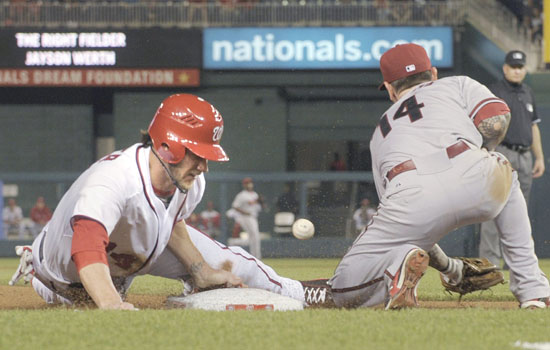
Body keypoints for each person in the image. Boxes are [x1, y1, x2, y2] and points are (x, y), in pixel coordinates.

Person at [8, 94, 312, 309]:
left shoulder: (189, 181)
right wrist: (111, 303)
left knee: (231, 264)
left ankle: (306, 292)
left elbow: (170, 221)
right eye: (198, 154)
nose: (204, 166)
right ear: (167, 146)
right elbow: (85, 246)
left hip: (128, 257)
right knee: (83, 301)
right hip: (63, 275)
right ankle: (37, 273)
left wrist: (200, 270)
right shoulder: (113, 179)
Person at [325, 44, 549, 309]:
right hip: (475, 176)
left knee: (340, 290)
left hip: (410, 192)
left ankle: (394, 272)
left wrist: (449, 267)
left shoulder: (380, 131)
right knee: (504, 171)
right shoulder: (456, 84)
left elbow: (406, 222)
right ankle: (533, 290)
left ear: (388, 87)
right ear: (433, 73)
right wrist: (482, 154)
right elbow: (498, 118)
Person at [479, 50, 545, 268]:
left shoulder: (528, 92)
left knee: (520, 212)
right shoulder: (494, 91)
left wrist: (539, 157)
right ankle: (490, 263)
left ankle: (517, 263)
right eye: (513, 67)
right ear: (505, 68)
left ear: (525, 70)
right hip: (502, 153)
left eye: (520, 67)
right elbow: (485, 124)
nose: (517, 71)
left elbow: (533, 126)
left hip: (525, 156)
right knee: (493, 207)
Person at [230, 177, 263, 259]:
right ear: (244, 185)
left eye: (250, 182)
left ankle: (255, 256)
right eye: (247, 183)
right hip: (245, 217)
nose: (249, 184)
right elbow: (235, 206)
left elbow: (257, 206)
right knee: (254, 235)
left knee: (254, 236)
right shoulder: (242, 195)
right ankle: (255, 256)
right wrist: (244, 212)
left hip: (253, 216)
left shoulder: (255, 194)